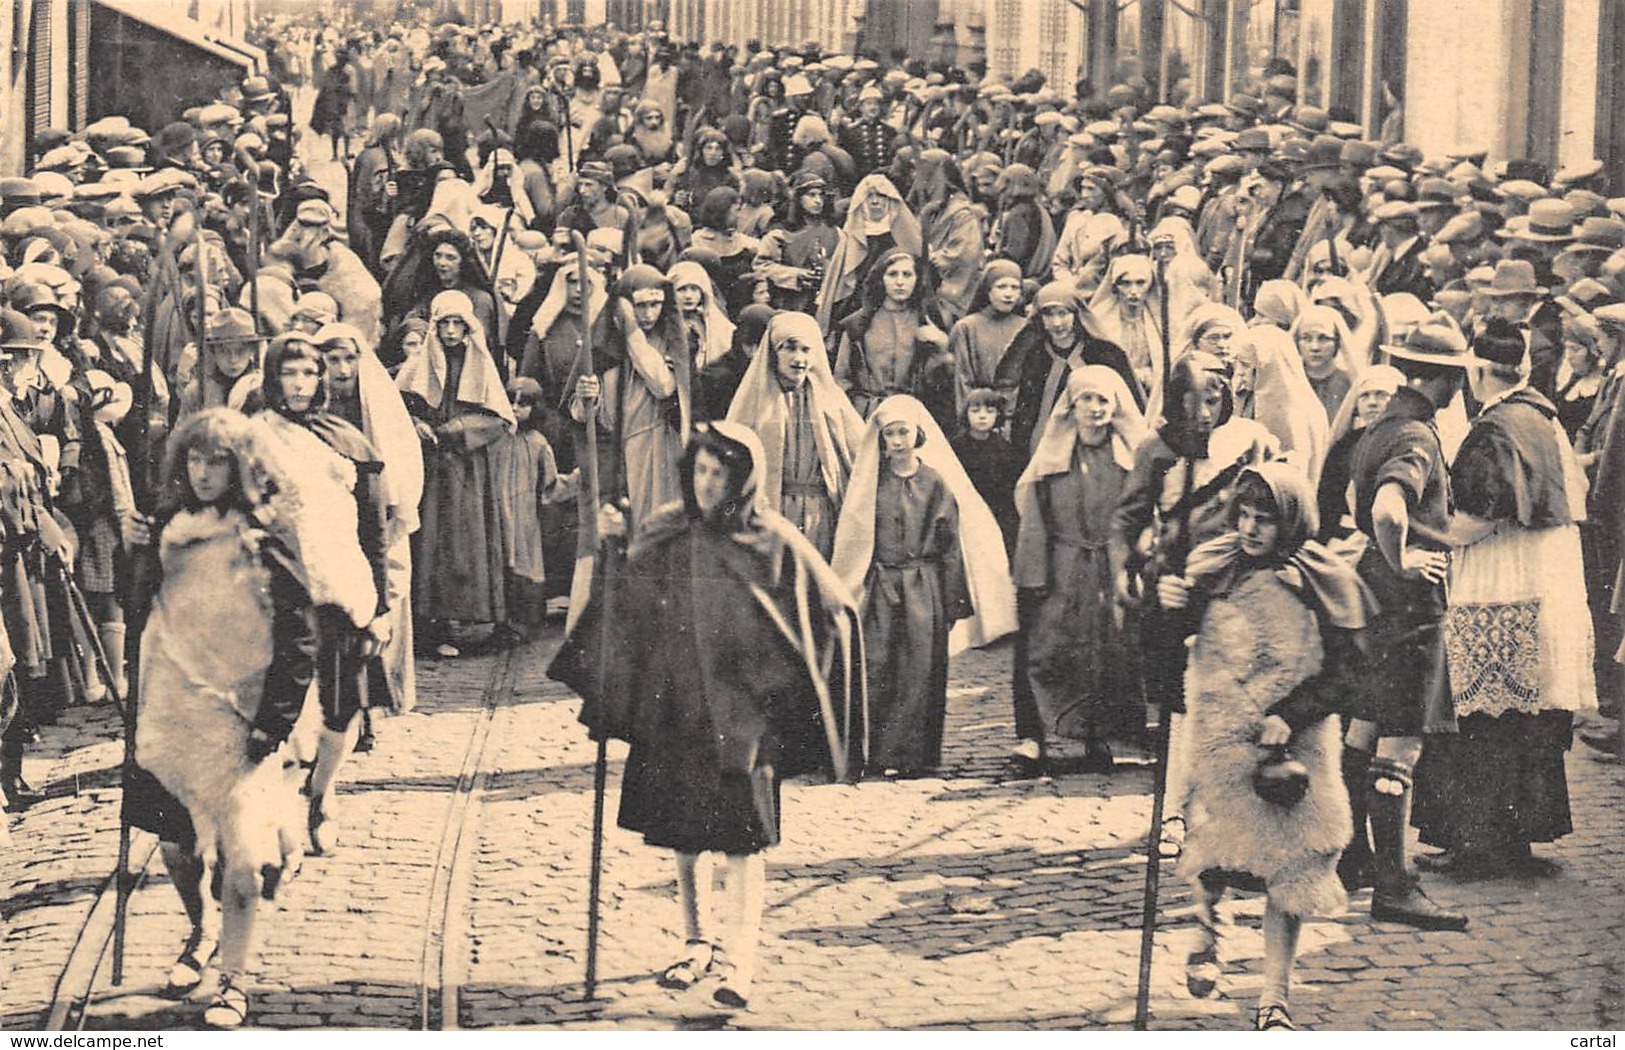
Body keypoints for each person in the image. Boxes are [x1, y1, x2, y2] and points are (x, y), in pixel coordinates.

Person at [548, 421, 864, 1012]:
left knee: (743, 841)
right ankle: (696, 942)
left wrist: (783, 688)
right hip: (677, 708)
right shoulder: (669, 530)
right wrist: (614, 545)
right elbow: (627, 605)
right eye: (700, 471)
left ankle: (739, 963)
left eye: (721, 473)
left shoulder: (771, 538)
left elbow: (833, 607)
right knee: (684, 834)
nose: (708, 484)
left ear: (743, 479)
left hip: (742, 718)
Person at [1157, 462, 1370, 1032]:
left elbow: (1352, 673)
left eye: (1266, 520)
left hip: (1297, 745)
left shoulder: (1321, 578)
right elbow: (1160, 663)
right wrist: (1167, 606)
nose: (1251, 530)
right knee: (1215, 852)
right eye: (1244, 516)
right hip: (1223, 738)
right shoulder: (1213, 566)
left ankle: (1273, 998)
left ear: (1293, 521)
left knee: (1294, 865)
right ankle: (1209, 929)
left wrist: (1292, 713)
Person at [130, 409, 320, 1028]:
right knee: (178, 852)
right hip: (171, 713)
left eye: (217, 460)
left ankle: (233, 981)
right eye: (195, 459)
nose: (205, 472)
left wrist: (275, 721)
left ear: (239, 466)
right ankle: (199, 930)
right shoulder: (166, 528)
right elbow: (144, 614)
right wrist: (131, 553)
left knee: (240, 859)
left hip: (242, 719)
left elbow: (299, 635)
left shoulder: (264, 533)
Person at [1412, 318, 1597, 875]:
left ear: (1477, 371)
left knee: (1485, 719)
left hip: (1502, 585)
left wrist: (1420, 531)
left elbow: (1474, 520)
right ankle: (1513, 840)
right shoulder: (1543, 416)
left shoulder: (1497, 427)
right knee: (1522, 719)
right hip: (1543, 579)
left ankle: (1480, 844)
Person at [1346, 321, 1472, 930]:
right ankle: (1393, 887)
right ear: (1438, 379)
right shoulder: (1418, 435)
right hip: (1410, 609)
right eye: (1453, 378)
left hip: (1371, 598)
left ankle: (1354, 857)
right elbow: (1386, 507)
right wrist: (1401, 557)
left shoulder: (1378, 429)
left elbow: (1351, 503)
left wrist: (1380, 558)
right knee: (1401, 742)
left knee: (1363, 729)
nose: (1456, 390)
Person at [831, 395, 1013, 776]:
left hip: (923, 585)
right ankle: (879, 753)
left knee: (920, 671)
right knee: (878, 666)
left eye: (904, 432)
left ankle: (915, 757)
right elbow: (858, 533)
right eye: (890, 434)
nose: (897, 441)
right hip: (882, 583)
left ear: (918, 434)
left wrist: (950, 600)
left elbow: (949, 543)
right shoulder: (871, 483)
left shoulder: (934, 482)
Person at [1011, 366, 1146, 771]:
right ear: (1071, 405)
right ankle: (1033, 737)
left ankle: (1097, 736)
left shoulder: (1128, 459)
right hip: (1061, 568)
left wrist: (1137, 564)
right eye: (1086, 399)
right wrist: (1033, 574)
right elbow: (1035, 518)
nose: (1095, 408)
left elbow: (1141, 515)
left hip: (1110, 566)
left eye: (1103, 400)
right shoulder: (1054, 458)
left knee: (1106, 652)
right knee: (1044, 651)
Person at [397, 289, 516, 657]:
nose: (450, 331)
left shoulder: (479, 364)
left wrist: (458, 430)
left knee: (468, 541)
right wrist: (416, 424)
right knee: (432, 542)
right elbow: (401, 405)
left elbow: (499, 418)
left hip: (468, 469)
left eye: (457, 324)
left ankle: (473, 621)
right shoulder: (420, 366)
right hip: (430, 470)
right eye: (444, 323)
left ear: (469, 327)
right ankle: (434, 624)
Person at [725, 311, 866, 559]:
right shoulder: (754, 401)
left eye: (806, 349)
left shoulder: (830, 400)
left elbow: (859, 452)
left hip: (820, 514)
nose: (798, 358)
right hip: (771, 513)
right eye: (789, 348)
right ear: (773, 353)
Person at [832, 248, 952, 424]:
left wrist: (941, 349)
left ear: (917, 279)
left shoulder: (928, 321)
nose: (900, 282)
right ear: (881, 279)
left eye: (907, 274)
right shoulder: (858, 323)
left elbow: (941, 385)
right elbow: (841, 377)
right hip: (867, 415)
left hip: (913, 413)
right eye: (892, 274)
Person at [948, 259, 1026, 419]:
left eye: (1015, 287)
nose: (1008, 294)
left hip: (1018, 414)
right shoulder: (966, 327)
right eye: (1001, 287)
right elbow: (962, 381)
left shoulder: (1026, 327)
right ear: (988, 291)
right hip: (980, 414)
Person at [951, 387, 1023, 554]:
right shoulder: (956, 447)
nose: (982, 416)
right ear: (966, 414)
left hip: (997, 512)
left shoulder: (1006, 449)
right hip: (967, 514)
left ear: (998, 415)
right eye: (975, 411)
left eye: (990, 411)